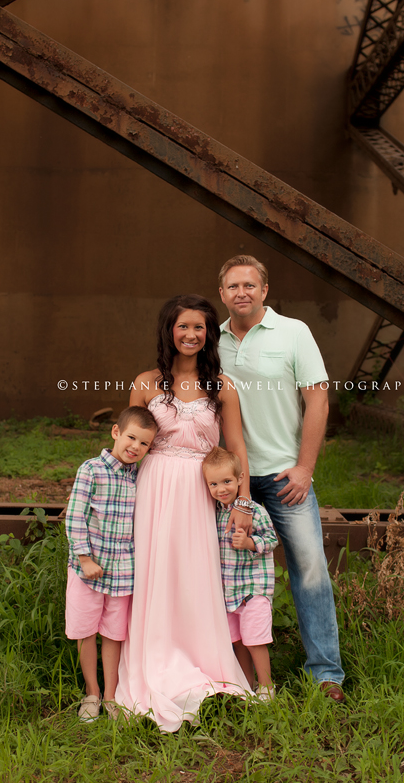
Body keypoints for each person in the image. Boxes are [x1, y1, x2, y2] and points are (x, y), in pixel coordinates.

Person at [115, 294, 252, 731]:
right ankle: (153, 665)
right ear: (169, 331)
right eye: (183, 327)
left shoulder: (222, 386)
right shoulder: (146, 383)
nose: (191, 335)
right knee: (156, 574)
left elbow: (236, 449)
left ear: (210, 334)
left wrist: (243, 503)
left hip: (200, 491)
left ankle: (204, 662)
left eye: (200, 327)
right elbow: (127, 448)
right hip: (153, 491)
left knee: (196, 576)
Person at [217, 255, 345, 701]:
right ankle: (232, 672)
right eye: (233, 286)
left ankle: (326, 674)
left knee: (308, 568)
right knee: (225, 569)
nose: (242, 293)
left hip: (285, 475)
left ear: (265, 290)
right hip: (232, 483)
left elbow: (319, 402)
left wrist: (305, 468)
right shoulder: (213, 341)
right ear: (222, 294)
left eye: (250, 285)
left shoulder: (294, 332)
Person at [65, 405, 158, 722]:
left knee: (115, 634)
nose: (136, 447)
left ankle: (111, 696)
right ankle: (91, 692)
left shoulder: (140, 478)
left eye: (144, 444)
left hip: (122, 575)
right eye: (132, 438)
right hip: (88, 572)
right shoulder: (91, 470)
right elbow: (76, 517)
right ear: (116, 432)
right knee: (86, 631)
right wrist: (84, 557)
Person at [202, 446, 278, 701]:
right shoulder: (212, 514)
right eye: (214, 484)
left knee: (255, 639)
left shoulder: (253, 511)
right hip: (228, 591)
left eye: (226, 481)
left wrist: (249, 543)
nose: (221, 489)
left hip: (252, 588)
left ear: (240, 480)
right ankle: (246, 684)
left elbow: (271, 539)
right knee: (237, 641)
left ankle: (267, 687)